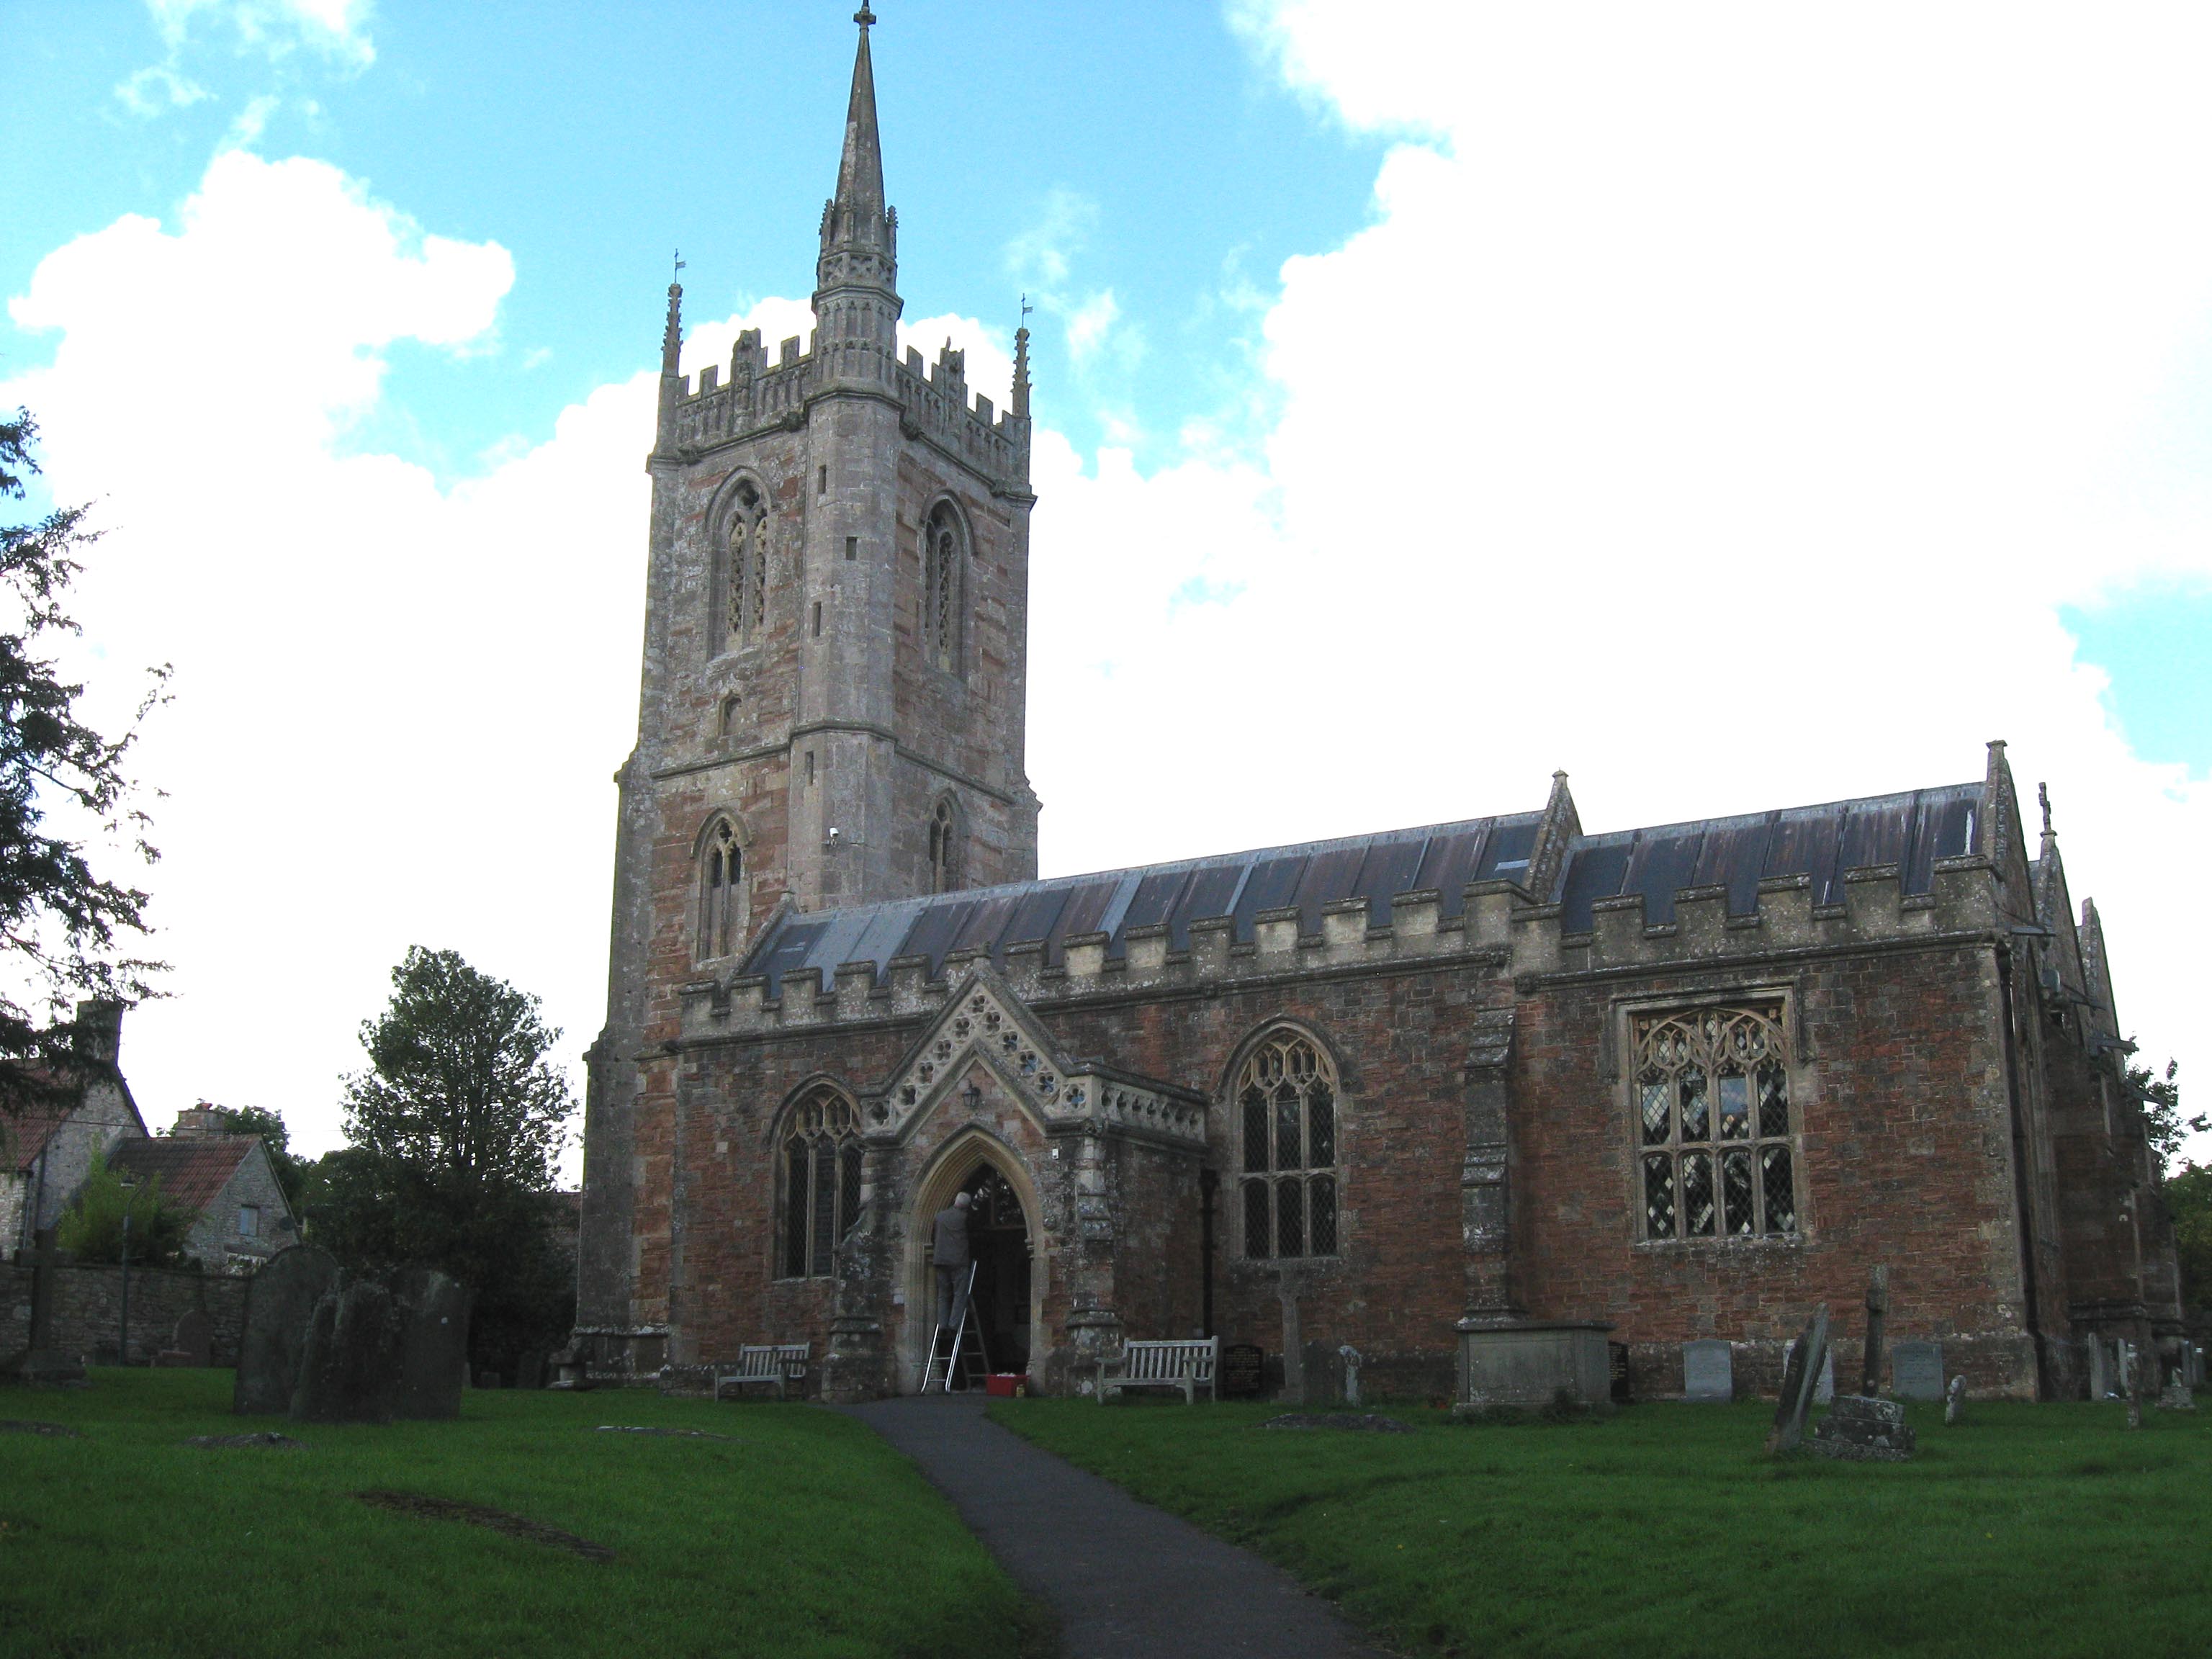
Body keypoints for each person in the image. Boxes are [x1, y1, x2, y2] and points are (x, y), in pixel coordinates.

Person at [932, 1191, 974, 1329]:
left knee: (943, 1294)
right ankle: (954, 1325)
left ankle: (942, 1324)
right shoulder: (965, 1218)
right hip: (958, 1261)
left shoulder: (939, 1217)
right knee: (959, 1294)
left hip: (941, 1260)